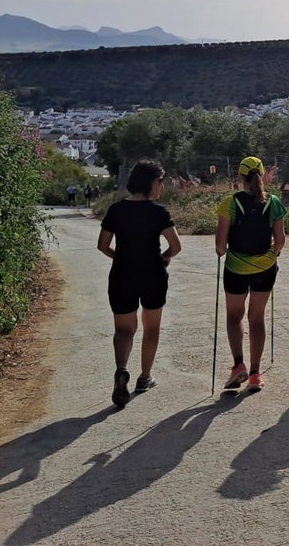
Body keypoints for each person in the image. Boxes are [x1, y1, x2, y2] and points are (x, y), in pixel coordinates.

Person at [97, 159, 181, 408]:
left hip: (122, 275)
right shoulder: (159, 212)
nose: (162, 186)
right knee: (151, 327)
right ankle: (145, 377)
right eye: (161, 181)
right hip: (153, 275)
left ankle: (121, 369)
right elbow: (176, 246)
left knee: (124, 330)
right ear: (151, 183)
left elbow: (102, 245)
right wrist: (164, 257)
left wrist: (120, 257)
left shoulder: (116, 210)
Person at [215, 156, 287, 392]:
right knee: (257, 318)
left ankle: (238, 365)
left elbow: (220, 246)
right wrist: (271, 256)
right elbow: (280, 241)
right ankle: (256, 374)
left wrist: (223, 251)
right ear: (262, 175)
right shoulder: (273, 203)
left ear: (240, 177)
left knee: (234, 317)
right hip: (265, 269)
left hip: (236, 268)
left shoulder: (230, 202)